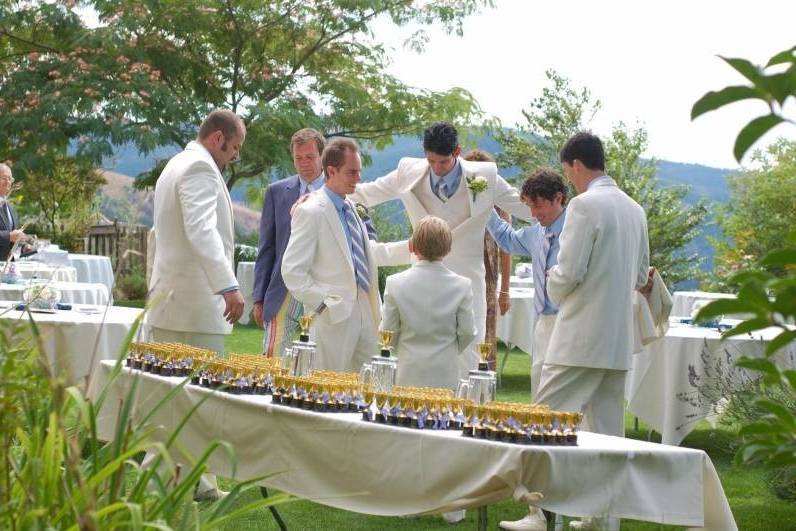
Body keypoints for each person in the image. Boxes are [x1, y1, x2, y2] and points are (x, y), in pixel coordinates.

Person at [517, 132, 650, 531]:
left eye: (567, 171)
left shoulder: (584, 206)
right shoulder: (635, 209)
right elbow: (641, 275)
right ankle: (604, 520)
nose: (569, 179)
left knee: (541, 424)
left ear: (575, 165)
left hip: (577, 341)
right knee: (608, 438)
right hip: (616, 342)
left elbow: (567, 275)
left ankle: (540, 514)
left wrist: (550, 275)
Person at [349, 122, 532, 380]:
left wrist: (565, 218)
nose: (436, 168)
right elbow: (367, 193)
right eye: (430, 160)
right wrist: (318, 196)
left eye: (443, 162)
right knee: (413, 354)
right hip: (419, 283)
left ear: (457, 151)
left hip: (469, 281)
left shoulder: (485, 177)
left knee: (468, 357)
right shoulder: (407, 172)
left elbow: (525, 206)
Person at [145, 109, 247, 501]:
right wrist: (228, 286)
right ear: (218, 138)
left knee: (174, 398)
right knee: (196, 399)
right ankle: (175, 482)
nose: (234, 157)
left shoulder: (176, 164)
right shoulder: (200, 170)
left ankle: (191, 480)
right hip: (193, 305)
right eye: (234, 148)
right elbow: (202, 231)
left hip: (171, 301)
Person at [281, 138, 409, 371]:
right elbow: (292, 271)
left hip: (367, 314)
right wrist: (326, 302)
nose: (358, 179)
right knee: (325, 391)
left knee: (367, 389)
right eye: (352, 173)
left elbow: (367, 254)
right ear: (331, 171)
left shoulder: (352, 207)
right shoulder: (311, 211)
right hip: (332, 319)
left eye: (359, 172)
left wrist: (411, 249)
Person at [486, 169, 567, 402]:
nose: (533, 213)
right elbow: (507, 239)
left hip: (570, 321)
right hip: (542, 321)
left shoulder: (576, 229)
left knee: (565, 397)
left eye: (538, 206)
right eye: (530, 206)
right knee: (540, 392)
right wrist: (484, 206)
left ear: (558, 198)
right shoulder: (536, 233)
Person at [252, 128, 327, 358]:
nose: (304, 163)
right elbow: (267, 247)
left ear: (322, 156)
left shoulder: (340, 189)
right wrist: (259, 297)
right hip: (282, 289)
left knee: (318, 362)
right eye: (298, 158)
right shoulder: (276, 192)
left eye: (310, 157)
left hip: (322, 288)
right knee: (271, 359)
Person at [380, 215, 476, 390]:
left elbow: (388, 331)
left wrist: (399, 347)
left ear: (413, 247)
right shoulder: (462, 285)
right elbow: (468, 332)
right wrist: (450, 349)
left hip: (407, 369)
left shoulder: (395, 283)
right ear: (448, 249)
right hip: (446, 369)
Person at [462, 149, 511, 369]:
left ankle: (484, 380)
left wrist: (505, 290)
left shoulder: (499, 205)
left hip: (489, 275)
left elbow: (506, 249)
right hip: (461, 269)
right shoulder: (460, 201)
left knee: (487, 327)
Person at [0, 163, 26, 261]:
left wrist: (24, 244)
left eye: (10, 179)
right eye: (4, 178)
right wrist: (9, 236)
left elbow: (14, 235)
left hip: (7, 267)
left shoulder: (11, 208)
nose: (8, 182)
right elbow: (10, 236)